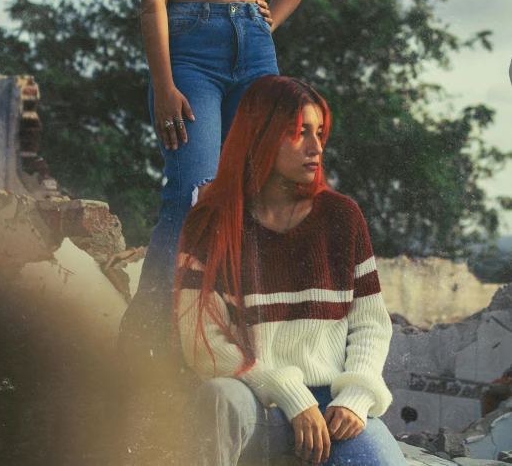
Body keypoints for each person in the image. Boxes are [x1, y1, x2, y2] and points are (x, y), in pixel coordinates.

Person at [121, 0, 305, 356]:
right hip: (191, 53)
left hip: (254, 50)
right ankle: (147, 340)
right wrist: (163, 82)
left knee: (255, 190)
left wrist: (257, 27)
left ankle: (233, 334)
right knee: (191, 190)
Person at [174, 75, 406, 466]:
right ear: (261, 137)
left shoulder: (341, 217)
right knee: (217, 399)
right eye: (300, 133)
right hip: (254, 397)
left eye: (319, 133)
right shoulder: (209, 223)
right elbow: (202, 343)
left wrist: (356, 397)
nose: (316, 148)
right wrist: (288, 393)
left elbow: (371, 324)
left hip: (331, 408)